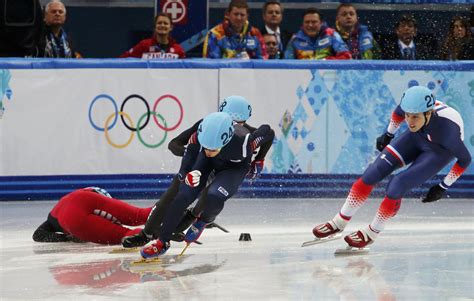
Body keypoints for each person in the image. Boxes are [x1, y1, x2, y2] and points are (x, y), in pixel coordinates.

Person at [312, 85, 471, 249]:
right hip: (417, 137)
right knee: (371, 174)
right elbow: (398, 113)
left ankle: (372, 231)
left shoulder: (447, 133)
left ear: (428, 113)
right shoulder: (412, 107)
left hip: (439, 151)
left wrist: (443, 186)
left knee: (396, 184)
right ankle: (339, 221)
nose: (409, 121)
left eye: (414, 117)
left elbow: (465, 159)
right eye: (408, 116)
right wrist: (388, 134)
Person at [122, 96, 274, 248]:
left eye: (237, 123)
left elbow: (268, 134)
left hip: (221, 172)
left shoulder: (244, 134)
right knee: (176, 195)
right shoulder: (208, 125)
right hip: (200, 166)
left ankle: (165, 231)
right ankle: (150, 233)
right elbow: (174, 145)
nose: (234, 125)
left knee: (200, 199)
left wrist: (258, 160)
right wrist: (195, 153)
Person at [33, 187, 152, 245]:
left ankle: (156, 233)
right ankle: (169, 208)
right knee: (141, 215)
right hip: (86, 202)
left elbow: (37, 235)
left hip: (71, 216)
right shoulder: (93, 197)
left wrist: (68, 238)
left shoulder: (55, 213)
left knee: (125, 235)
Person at [203, 0, 267, 59]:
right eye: (236, 14)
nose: (239, 18)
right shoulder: (215, 34)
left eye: (242, 15)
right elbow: (211, 63)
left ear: (247, 16)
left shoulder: (255, 33)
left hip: (250, 70)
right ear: (228, 15)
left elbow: (263, 59)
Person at [284, 8, 351, 60]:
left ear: (321, 23)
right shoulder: (295, 39)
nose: (310, 25)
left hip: (327, 75)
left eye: (314, 22)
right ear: (303, 23)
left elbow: (346, 56)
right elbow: (287, 63)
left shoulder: (331, 35)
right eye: (307, 22)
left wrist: (326, 62)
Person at [119, 12, 185, 59]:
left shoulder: (178, 50)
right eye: (159, 23)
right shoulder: (144, 45)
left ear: (171, 27)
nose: (162, 25)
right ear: (155, 27)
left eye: (165, 23)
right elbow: (123, 60)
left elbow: (184, 71)